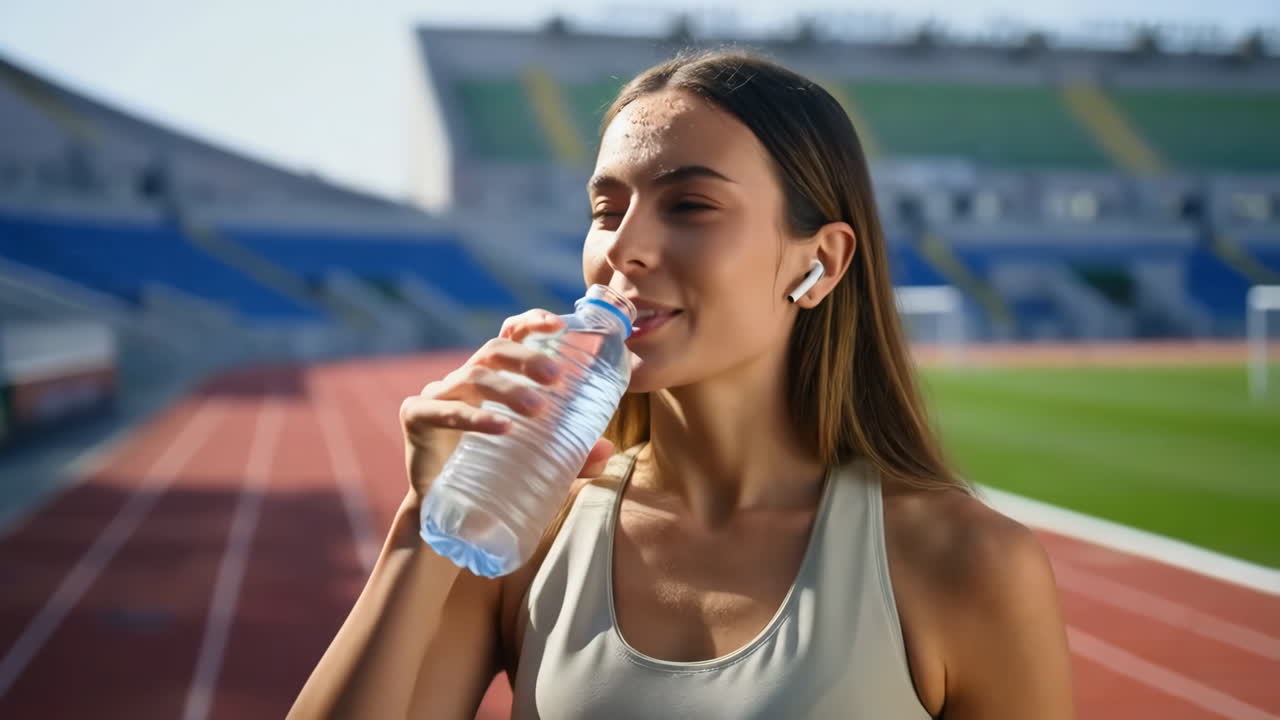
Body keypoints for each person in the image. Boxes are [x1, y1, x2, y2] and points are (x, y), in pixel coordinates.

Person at [288, 49, 1073, 719]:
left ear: (821, 262)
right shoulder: (527, 531)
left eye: (690, 205)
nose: (623, 249)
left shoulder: (963, 561)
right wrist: (428, 520)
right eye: (606, 209)